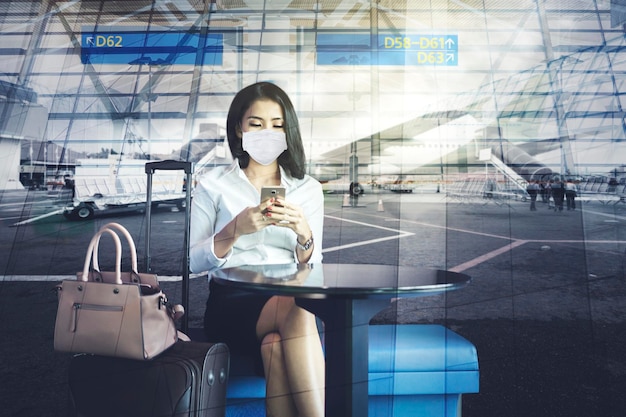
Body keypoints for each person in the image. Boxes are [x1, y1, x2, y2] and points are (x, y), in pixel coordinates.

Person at [189, 81, 325, 417]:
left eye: (277, 125)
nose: (268, 132)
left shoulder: (307, 189)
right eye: (256, 124)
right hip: (233, 301)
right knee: (298, 308)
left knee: (275, 346)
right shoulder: (213, 186)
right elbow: (192, 261)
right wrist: (235, 230)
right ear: (238, 129)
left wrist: (303, 231)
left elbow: (313, 263)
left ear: (288, 131)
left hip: (289, 300)